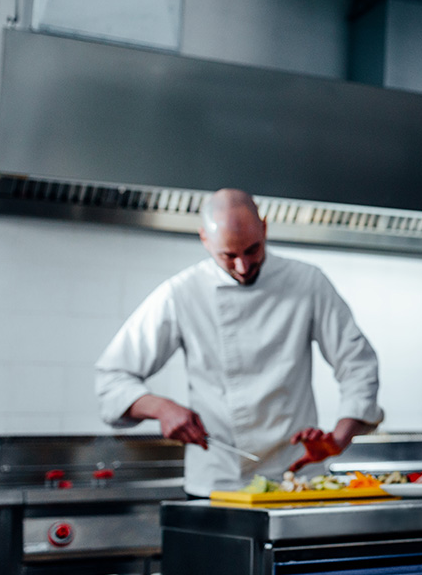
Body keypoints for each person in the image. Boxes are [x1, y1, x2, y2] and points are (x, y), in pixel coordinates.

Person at [95, 189, 384, 496]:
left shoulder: (307, 282)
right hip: (218, 482)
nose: (244, 266)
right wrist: (160, 407)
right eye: (229, 256)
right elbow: (112, 379)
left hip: (298, 478)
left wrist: (340, 437)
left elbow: (358, 364)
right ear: (205, 239)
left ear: (265, 228)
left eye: (252, 250)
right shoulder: (181, 293)